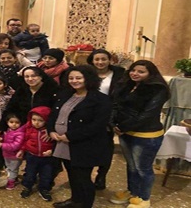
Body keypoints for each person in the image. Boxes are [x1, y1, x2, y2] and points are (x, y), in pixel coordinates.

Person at [49, 65, 112, 208]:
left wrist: (70, 136)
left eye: (78, 78)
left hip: (84, 144)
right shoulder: (65, 94)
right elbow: (54, 114)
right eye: (71, 78)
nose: (74, 81)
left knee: (83, 178)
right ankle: (75, 200)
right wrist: (51, 130)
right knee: (72, 175)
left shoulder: (101, 99)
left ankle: (86, 204)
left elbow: (97, 125)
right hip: (62, 143)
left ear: (88, 79)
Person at [110, 60, 170, 208]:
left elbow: (147, 115)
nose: (135, 73)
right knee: (131, 166)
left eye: (141, 72)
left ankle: (144, 199)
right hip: (125, 132)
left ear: (150, 74)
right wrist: (113, 123)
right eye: (133, 70)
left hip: (146, 134)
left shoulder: (158, 89)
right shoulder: (127, 85)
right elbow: (115, 105)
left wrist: (122, 126)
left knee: (143, 168)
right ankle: (133, 192)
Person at [87, 49, 125, 190]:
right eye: (97, 59)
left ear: (110, 60)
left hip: (109, 114)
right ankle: (86, 176)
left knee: (106, 147)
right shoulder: (87, 72)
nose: (100, 62)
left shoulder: (120, 73)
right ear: (92, 60)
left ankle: (101, 175)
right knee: (88, 146)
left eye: (104, 59)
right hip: (89, 113)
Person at [18, 106, 55, 201]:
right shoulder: (29, 128)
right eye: (34, 119)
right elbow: (24, 140)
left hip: (46, 158)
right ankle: (27, 187)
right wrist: (22, 150)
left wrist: (52, 151)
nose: (36, 123)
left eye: (40, 120)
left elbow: (55, 143)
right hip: (32, 156)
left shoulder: (50, 131)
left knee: (46, 175)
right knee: (30, 173)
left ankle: (44, 189)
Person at [0, 113, 24, 190]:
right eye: (11, 122)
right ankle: (13, 178)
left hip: (15, 156)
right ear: (7, 122)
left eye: (17, 122)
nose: (14, 124)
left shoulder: (20, 133)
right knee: (9, 168)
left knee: (13, 169)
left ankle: (11, 183)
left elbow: (16, 145)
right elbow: (7, 139)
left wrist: (2, 145)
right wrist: (1, 138)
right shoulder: (9, 130)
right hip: (6, 154)